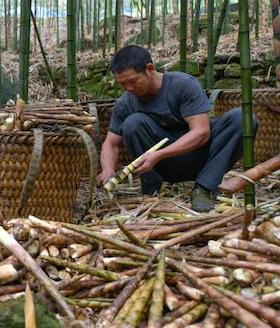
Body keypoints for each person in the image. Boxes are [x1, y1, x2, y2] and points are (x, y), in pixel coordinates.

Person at [96, 45, 255, 212]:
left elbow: (202, 132)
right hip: (162, 166)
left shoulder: (183, 84)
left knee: (243, 119)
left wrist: (158, 154)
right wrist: (107, 169)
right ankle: (151, 190)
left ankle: (204, 188)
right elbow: (111, 143)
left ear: (150, 69)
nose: (128, 88)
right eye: (122, 84)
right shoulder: (125, 103)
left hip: (202, 156)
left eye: (133, 81)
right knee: (133, 123)